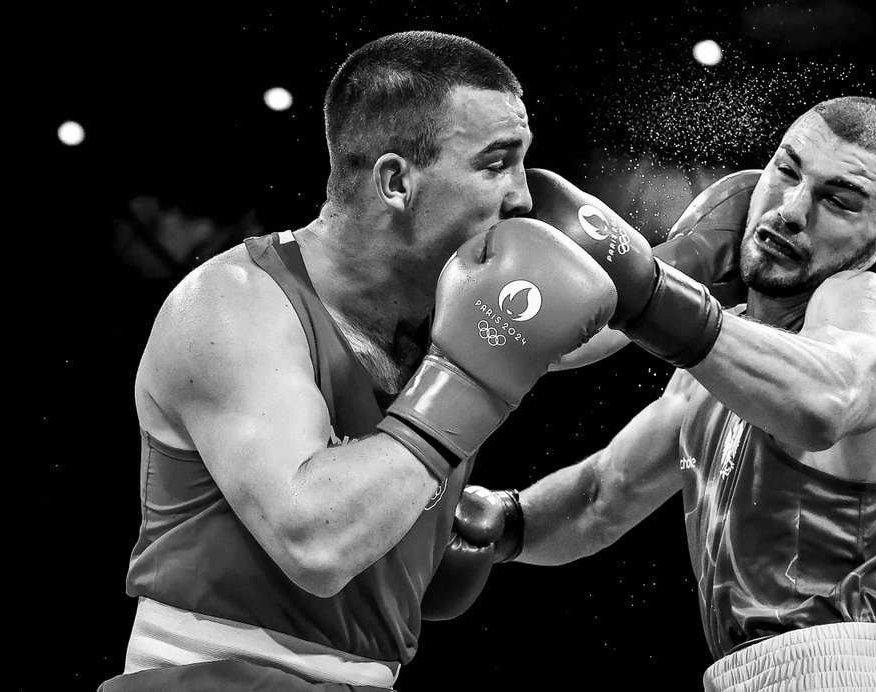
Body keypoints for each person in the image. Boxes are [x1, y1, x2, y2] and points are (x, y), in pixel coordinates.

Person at [99, 30, 621, 691]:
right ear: (396, 181)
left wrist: (687, 277)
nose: (523, 196)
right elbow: (316, 544)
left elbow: (595, 326)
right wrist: (469, 384)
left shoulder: (447, 318)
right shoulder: (233, 306)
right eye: (495, 164)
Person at [455, 95, 876, 691]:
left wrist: (656, 292)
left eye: (839, 201)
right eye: (786, 171)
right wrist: (503, 523)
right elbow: (602, 495)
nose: (792, 209)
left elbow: (828, 399)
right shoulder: (721, 358)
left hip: (846, 673)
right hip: (736, 676)